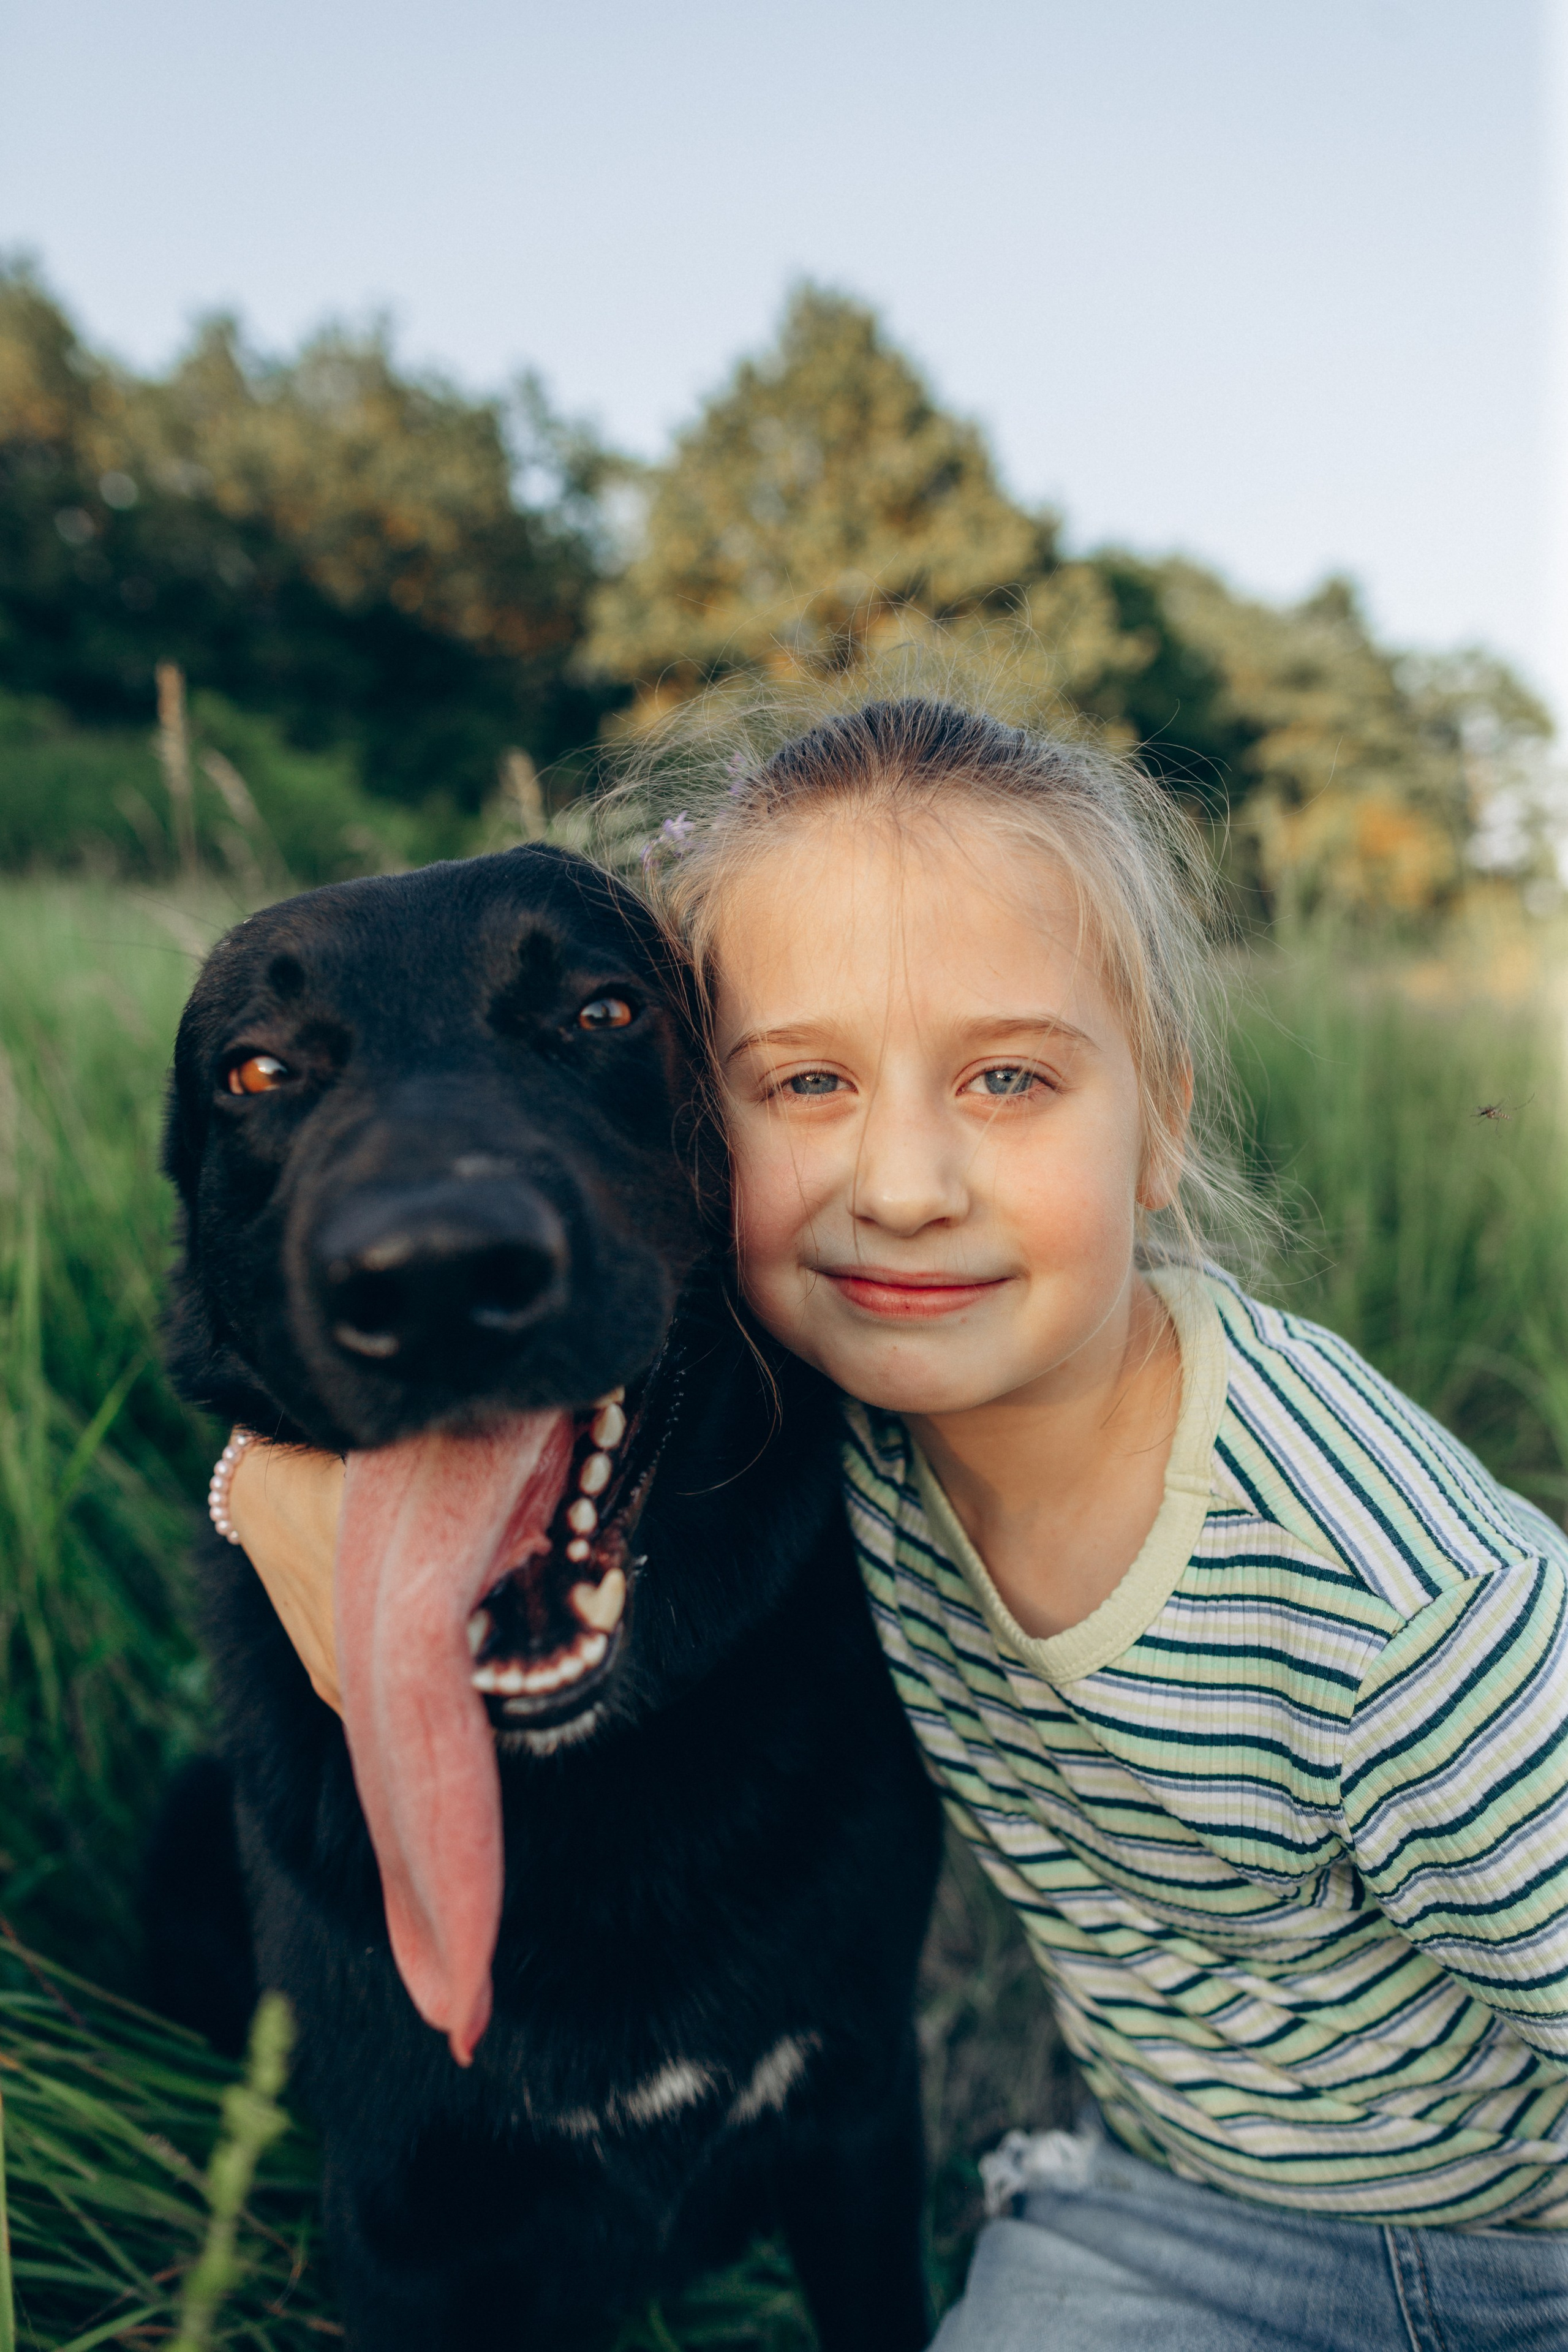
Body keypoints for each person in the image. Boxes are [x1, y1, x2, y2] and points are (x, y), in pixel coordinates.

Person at [224, 695, 1568, 2350]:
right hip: (1163, 2219)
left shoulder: (1406, 1613)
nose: (906, 1181)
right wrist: (265, 1489)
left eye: (1008, 1076)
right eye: (805, 1081)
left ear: (1157, 1116)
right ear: (702, 1135)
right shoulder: (834, 1407)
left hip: (1522, 2248)